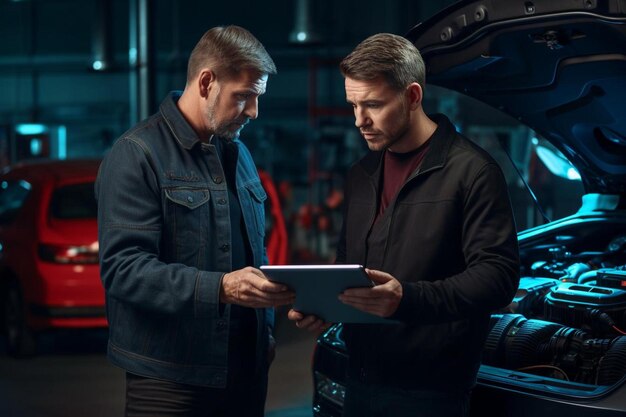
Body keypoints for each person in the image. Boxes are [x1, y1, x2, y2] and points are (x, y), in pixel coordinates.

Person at [288, 33, 520, 417]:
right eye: (353, 105)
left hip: (431, 391)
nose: (359, 120)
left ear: (413, 96)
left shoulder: (473, 172)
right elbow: (349, 265)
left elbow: (498, 277)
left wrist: (407, 299)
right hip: (359, 379)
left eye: (374, 105)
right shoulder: (361, 174)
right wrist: (325, 303)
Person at [95, 25, 295, 417]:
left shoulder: (239, 154)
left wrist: (265, 333)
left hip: (245, 374)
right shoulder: (137, 155)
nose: (254, 111)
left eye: (258, 98)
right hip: (170, 382)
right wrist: (220, 287)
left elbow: (257, 250)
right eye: (244, 97)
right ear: (206, 82)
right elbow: (123, 269)